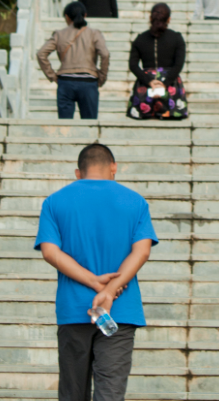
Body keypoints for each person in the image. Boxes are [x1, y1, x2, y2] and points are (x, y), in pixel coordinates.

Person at [35, 143, 158, 401]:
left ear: (78, 173)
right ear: (114, 167)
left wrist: (94, 282)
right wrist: (111, 290)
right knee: (110, 392)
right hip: (120, 311)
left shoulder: (54, 202)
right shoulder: (136, 201)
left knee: (72, 393)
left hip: (74, 309)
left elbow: (50, 252)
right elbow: (142, 252)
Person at [36, 1, 109, 120]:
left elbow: (41, 54)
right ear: (85, 15)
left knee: (65, 126)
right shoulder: (94, 33)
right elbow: (105, 54)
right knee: (89, 125)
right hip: (88, 83)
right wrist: (102, 76)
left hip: (65, 82)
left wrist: (52, 76)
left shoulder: (59, 34)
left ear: (67, 17)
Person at [127, 3, 188, 120]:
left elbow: (133, 65)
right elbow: (178, 64)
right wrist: (165, 83)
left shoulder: (140, 39)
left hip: (145, 86)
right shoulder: (177, 38)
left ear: (150, 18)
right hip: (170, 86)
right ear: (169, 19)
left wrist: (149, 81)